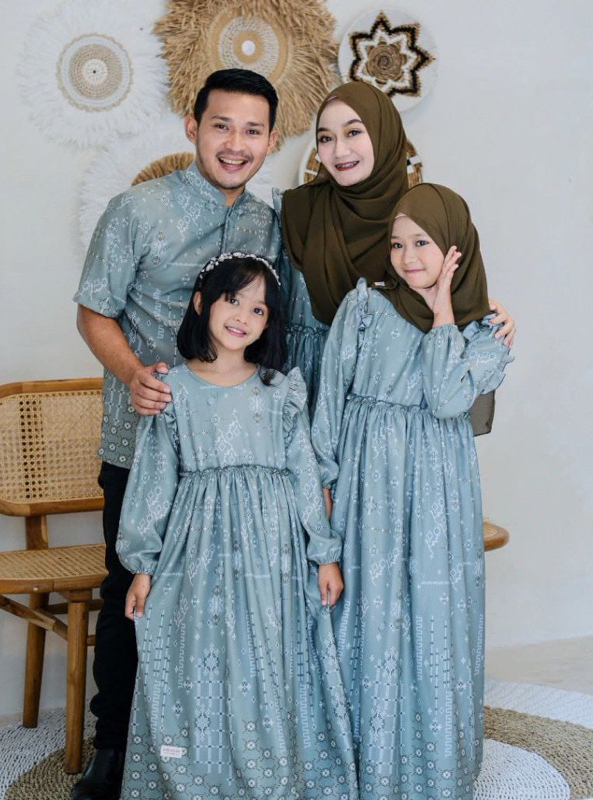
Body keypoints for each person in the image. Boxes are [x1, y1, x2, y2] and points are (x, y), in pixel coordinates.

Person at [73, 69, 281, 800]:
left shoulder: (269, 225)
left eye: (252, 130)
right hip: (144, 444)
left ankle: (213, 744)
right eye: (221, 125)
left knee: (226, 600)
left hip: (231, 460)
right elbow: (94, 310)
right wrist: (133, 373)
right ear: (193, 127)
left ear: (271, 141)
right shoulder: (137, 210)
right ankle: (111, 750)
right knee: (130, 592)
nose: (236, 143)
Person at [117, 253, 359, 800]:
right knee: (201, 655)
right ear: (201, 303)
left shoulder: (279, 390)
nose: (243, 317)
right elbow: (155, 480)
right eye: (233, 300)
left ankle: (270, 774)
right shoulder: (172, 390)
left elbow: (304, 474)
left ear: (269, 323)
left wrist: (324, 553)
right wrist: (142, 567)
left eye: (259, 309)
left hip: (272, 552)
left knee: (267, 656)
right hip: (197, 551)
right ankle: (205, 776)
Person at [310, 183, 513, 799]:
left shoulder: (486, 333)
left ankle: (430, 766)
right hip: (367, 480)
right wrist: (324, 482)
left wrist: (444, 311)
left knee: (431, 610)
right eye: (397, 245)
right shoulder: (364, 305)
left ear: (455, 249)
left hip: (437, 490)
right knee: (367, 608)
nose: (406, 257)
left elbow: (448, 399)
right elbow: (330, 398)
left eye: (422, 243)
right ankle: (364, 763)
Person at [279, 81, 515, 429]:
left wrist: (480, 311)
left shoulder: (414, 224)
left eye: (353, 132)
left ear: (384, 134)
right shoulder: (296, 212)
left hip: (389, 426)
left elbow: (444, 299)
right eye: (326, 138)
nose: (339, 150)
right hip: (302, 396)